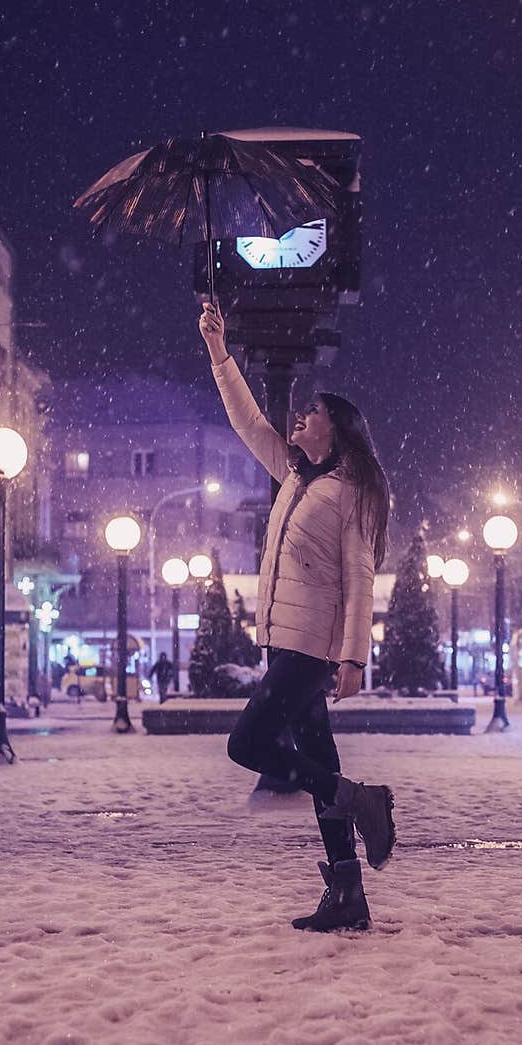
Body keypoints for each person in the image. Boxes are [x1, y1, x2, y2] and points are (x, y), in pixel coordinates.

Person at [199, 300, 395, 933]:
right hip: (285, 642)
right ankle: (348, 892)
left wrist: (353, 656)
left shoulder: (352, 492)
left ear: (335, 429)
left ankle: (358, 799)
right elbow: (247, 421)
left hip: (313, 647)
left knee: (248, 744)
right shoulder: (295, 477)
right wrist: (218, 351)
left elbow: (361, 578)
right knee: (317, 757)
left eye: (311, 413)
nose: (299, 418)